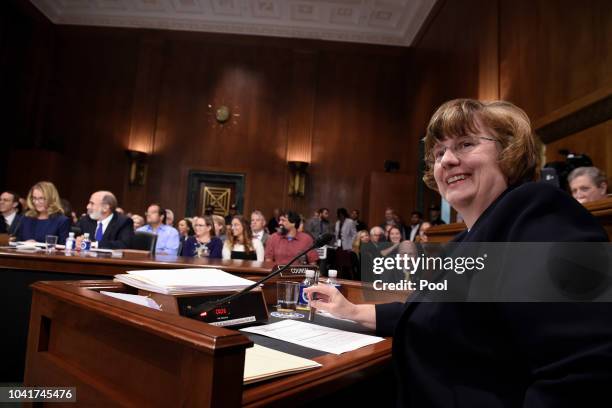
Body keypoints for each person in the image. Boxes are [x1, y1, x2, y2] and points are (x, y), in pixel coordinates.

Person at [305, 99, 611, 407]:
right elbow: (428, 315)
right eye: (439, 153)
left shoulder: (538, 212)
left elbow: (584, 371)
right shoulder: (463, 242)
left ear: (508, 153)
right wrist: (351, 310)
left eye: (465, 144)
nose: (447, 160)